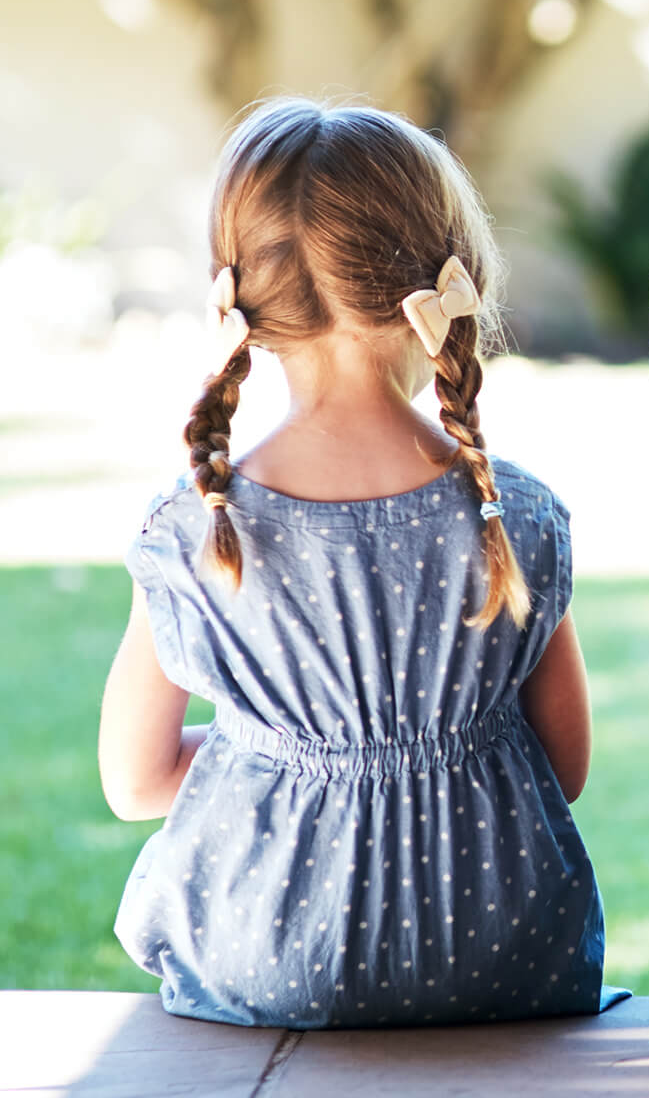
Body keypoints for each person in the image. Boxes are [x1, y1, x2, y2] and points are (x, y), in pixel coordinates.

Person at [99, 98, 607, 1028]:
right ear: (450, 278)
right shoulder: (517, 514)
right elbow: (563, 766)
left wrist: (282, 747)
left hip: (265, 962)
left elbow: (135, 783)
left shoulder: (195, 526)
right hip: (501, 956)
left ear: (238, 300)